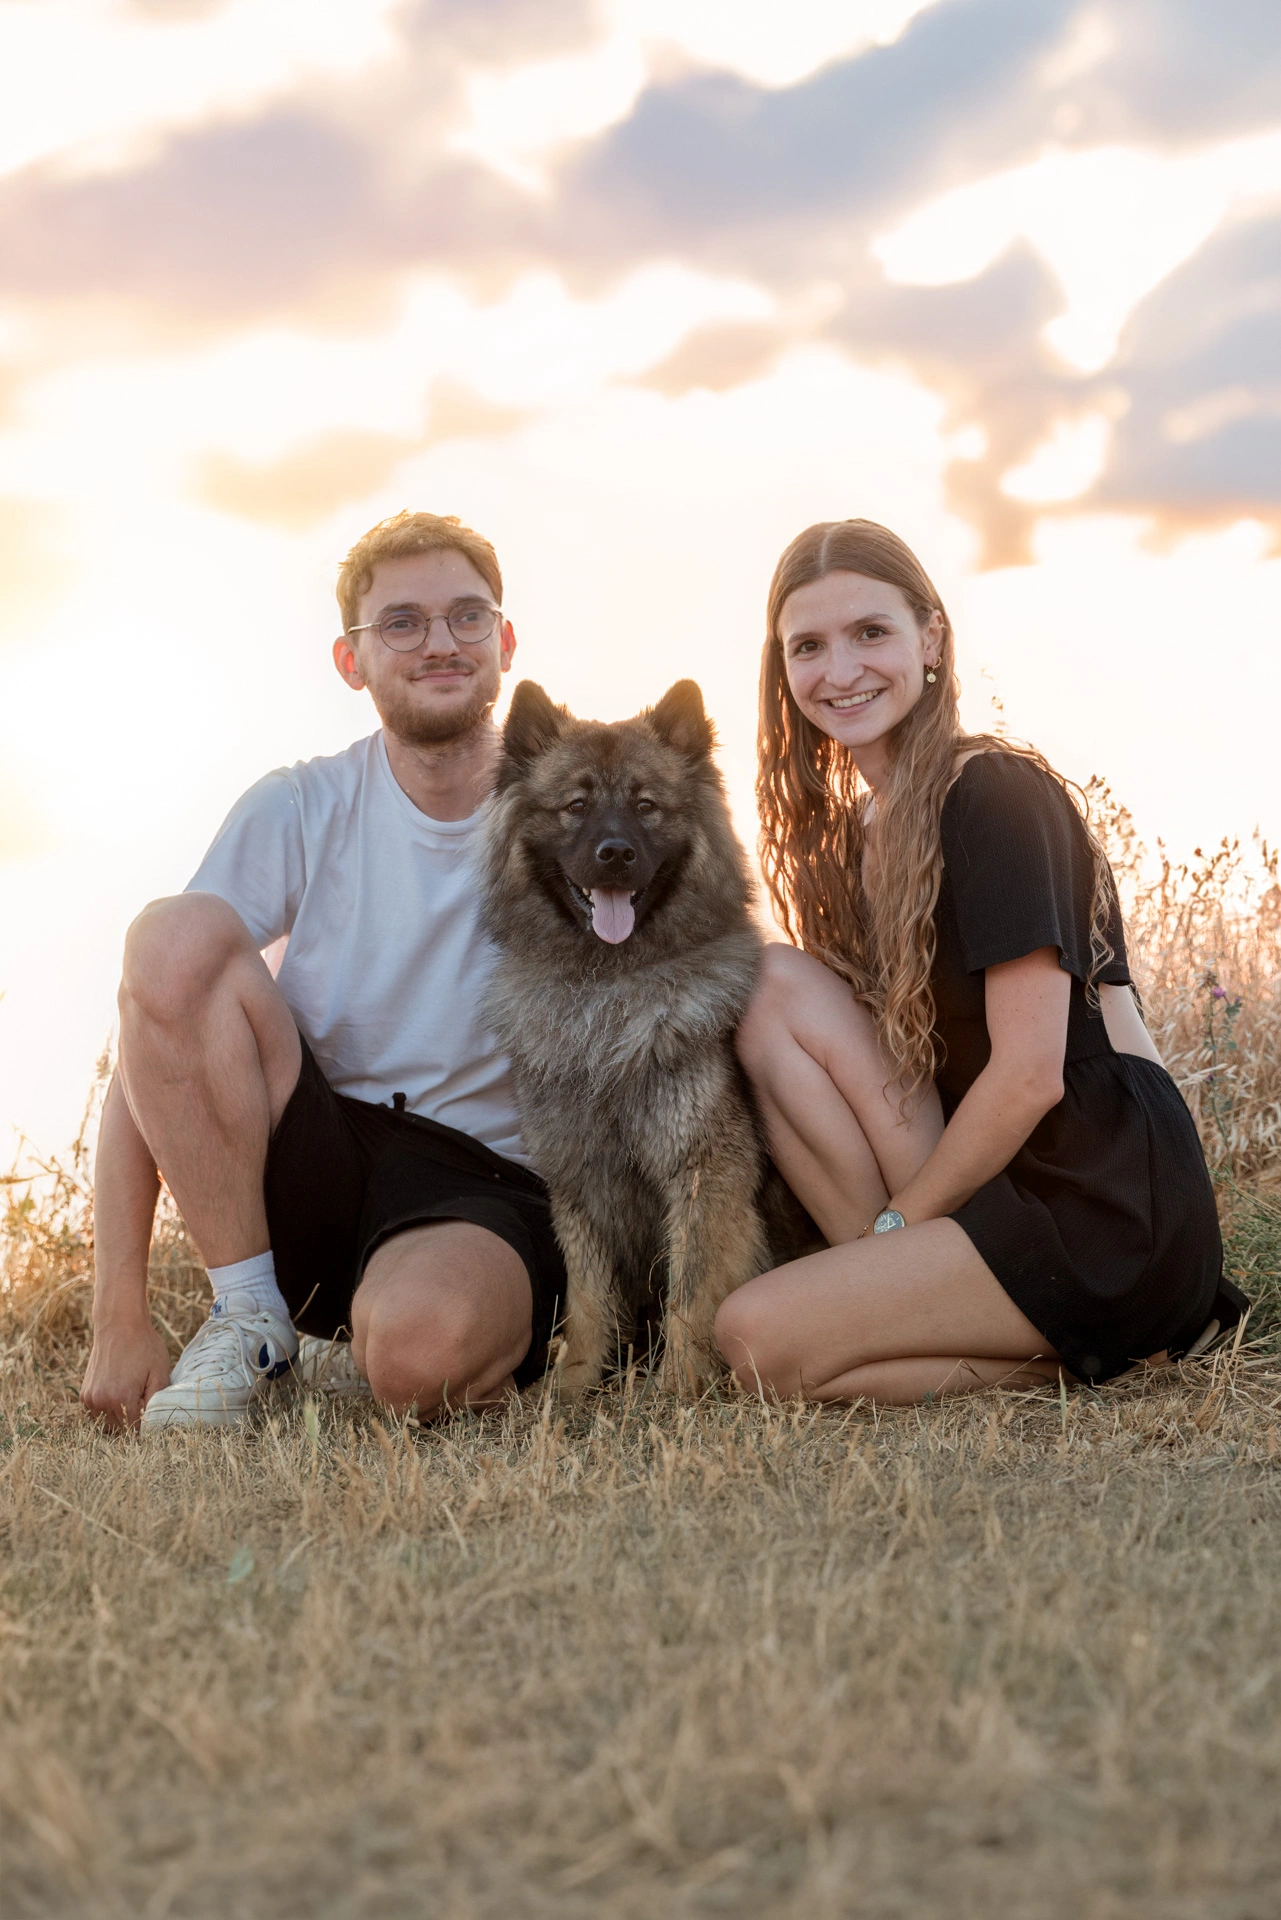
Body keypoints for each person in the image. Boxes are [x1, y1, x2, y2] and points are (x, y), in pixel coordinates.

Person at [715, 518, 1245, 1406]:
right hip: (993, 1183)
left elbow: (1031, 1078)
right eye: (808, 646)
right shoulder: (854, 838)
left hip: (1098, 1196)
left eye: (870, 633)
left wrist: (898, 1226)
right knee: (768, 985)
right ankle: (1068, 1356)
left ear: (931, 638)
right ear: (783, 670)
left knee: (754, 1337)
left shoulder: (992, 793)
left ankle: (1107, 1336)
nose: (839, 671)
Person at [80, 510, 566, 1431]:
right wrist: (119, 1313)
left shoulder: (572, 808)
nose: (439, 643)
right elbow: (154, 1023)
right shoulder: (301, 805)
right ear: (352, 661)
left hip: (482, 1182)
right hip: (316, 1152)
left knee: (419, 1361)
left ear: (503, 642)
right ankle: (251, 1320)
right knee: (168, 935)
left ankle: (388, 1337)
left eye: (466, 617)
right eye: (401, 623)